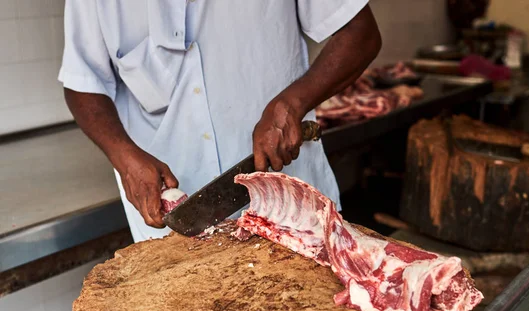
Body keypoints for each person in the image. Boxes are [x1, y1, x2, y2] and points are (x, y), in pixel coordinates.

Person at [59, 1, 381, 242]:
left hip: (296, 221)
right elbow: (83, 83)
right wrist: (123, 157)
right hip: (174, 241)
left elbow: (360, 33)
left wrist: (293, 103)